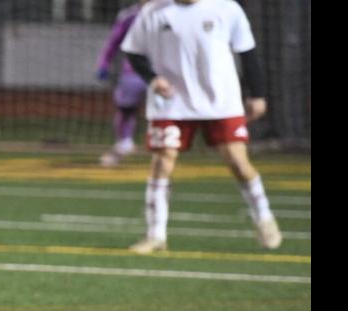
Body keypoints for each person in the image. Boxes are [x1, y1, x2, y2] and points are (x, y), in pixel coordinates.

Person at [119, 0, 282, 253]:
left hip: (220, 101)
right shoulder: (153, 12)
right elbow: (133, 51)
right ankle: (155, 235)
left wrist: (257, 94)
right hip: (171, 101)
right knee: (162, 162)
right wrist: (153, 80)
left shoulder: (227, 9)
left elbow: (247, 53)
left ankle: (264, 217)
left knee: (238, 163)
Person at [94, 4, 145, 168]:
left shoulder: (169, 12)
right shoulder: (129, 16)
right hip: (133, 72)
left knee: (165, 113)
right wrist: (103, 64)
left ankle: (167, 148)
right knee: (125, 109)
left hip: (162, 73)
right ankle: (124, 143)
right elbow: (113, 42)